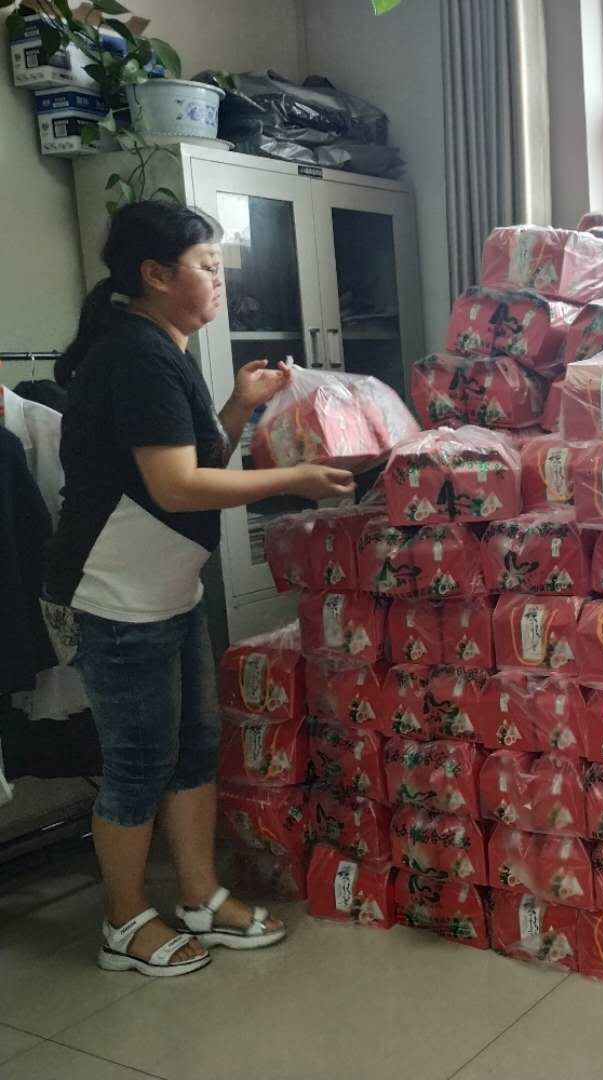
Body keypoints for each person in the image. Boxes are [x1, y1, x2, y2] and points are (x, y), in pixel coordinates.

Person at [45, 200, 355, 977]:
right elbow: (178, 486)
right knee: (138, 762)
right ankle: (124, 923)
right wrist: (294, 478)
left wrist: (241, 406)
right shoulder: (135, 356)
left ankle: (199, 897)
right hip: (117, 595)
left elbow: (193, 460)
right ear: (155, 275)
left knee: (193, 749)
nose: (220, 280)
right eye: (207, 267)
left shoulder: (163, 348)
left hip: (167, 587)